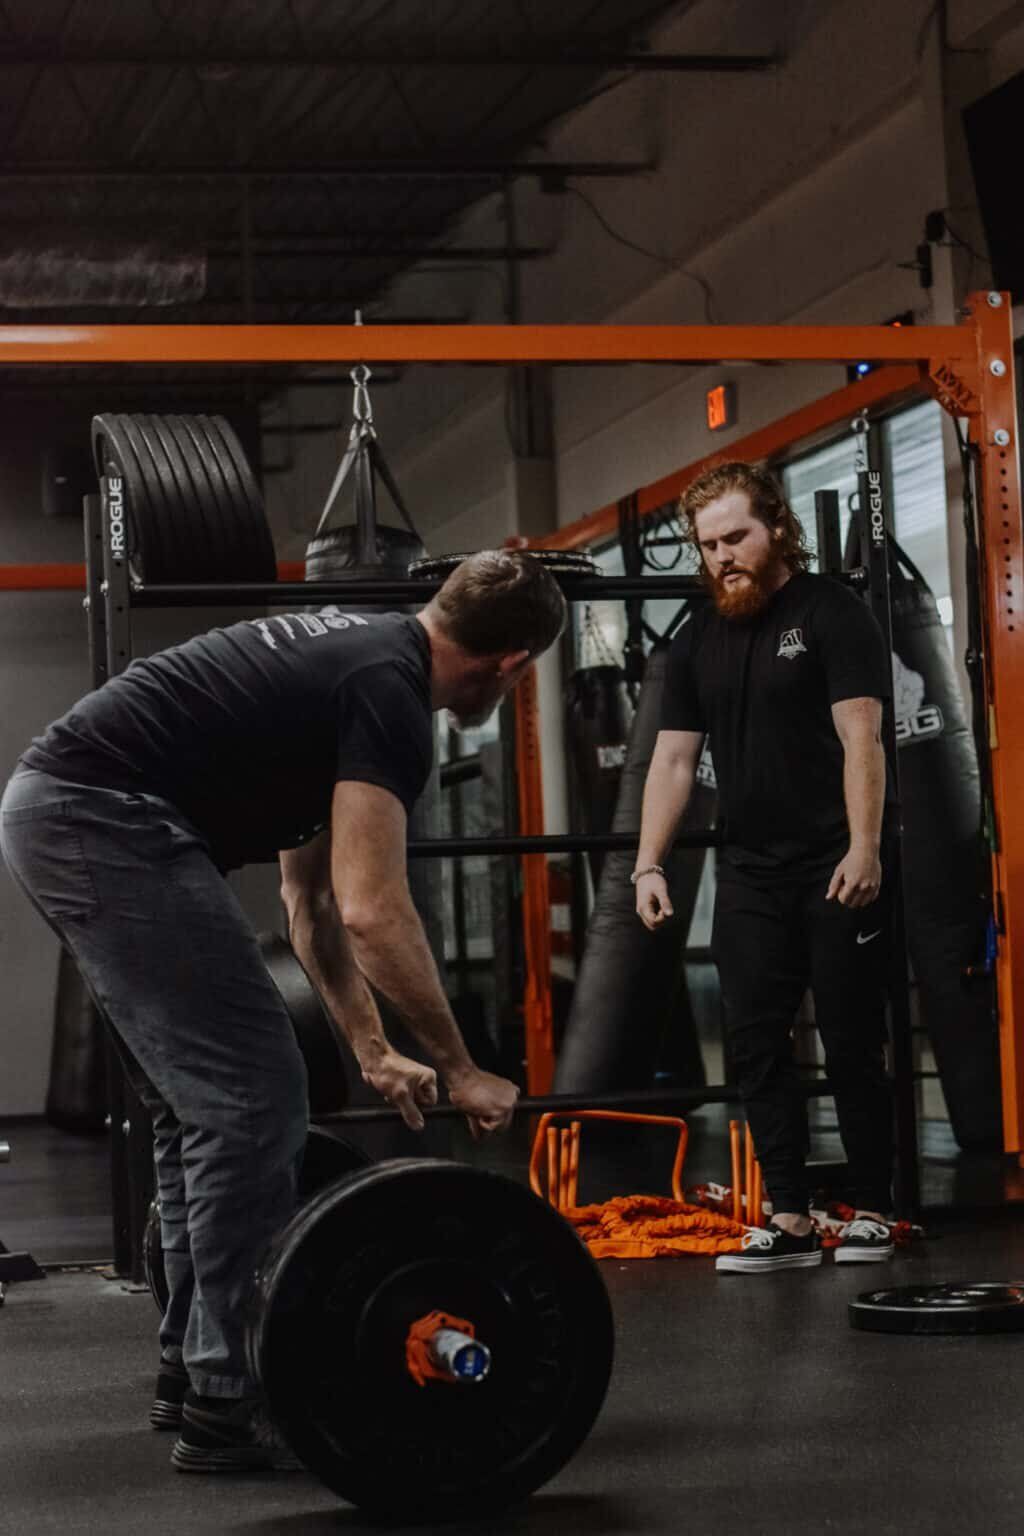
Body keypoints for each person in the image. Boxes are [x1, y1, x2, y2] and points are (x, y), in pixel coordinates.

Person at [0, 548, 566, 1468]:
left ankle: (194, 1371)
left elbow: (312, 906)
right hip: (101, 814)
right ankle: (230, 1400)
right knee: (252, 1101)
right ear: (513, 665)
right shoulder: (390, 696)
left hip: (67, 808)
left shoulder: (364, 664)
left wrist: (374, 1050)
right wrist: (462, 1067)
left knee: (205, 1113)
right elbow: (375, 910)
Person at [634, 463, 897, 1273]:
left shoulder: (830, 611)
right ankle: (789, 1217)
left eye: (736, 537)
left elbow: (862, 738)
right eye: (708, 545)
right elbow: (673, 762)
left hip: (831, 858)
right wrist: (649, 864)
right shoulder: (696, 639)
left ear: (776, 528)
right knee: (754, 1042)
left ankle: (874, 1208)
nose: (722, 557)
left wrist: (864, 844)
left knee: (852, 1039)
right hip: (747, 868)